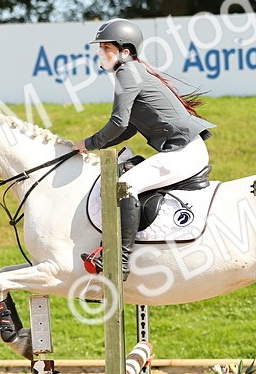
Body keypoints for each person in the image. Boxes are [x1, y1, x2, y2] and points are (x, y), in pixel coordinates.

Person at [71, 18, 215, 280]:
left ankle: (119, 259)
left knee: (125, 185)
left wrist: (90, 143)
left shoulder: (127, 73)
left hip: (183, 152)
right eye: (100, 48)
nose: (100, 53)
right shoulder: (132, 71)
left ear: (125, 51)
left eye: (106, 48)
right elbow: (128, 129)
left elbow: (118, 123)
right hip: (185, 149)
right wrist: (91, 147)